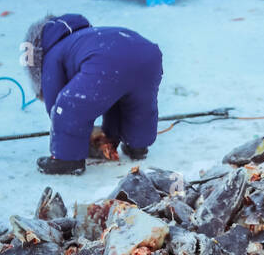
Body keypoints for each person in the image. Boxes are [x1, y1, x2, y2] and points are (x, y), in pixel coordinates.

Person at [22, 13, 163, 175]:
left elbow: (56, 101)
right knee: (136, 104)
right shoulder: (90, 36)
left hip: (107, 62)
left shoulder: (52, 54)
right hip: (147, 54)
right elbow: (110, 92)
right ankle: (137, 146)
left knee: (69, 105)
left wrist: (64, 125)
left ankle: (68, 160)